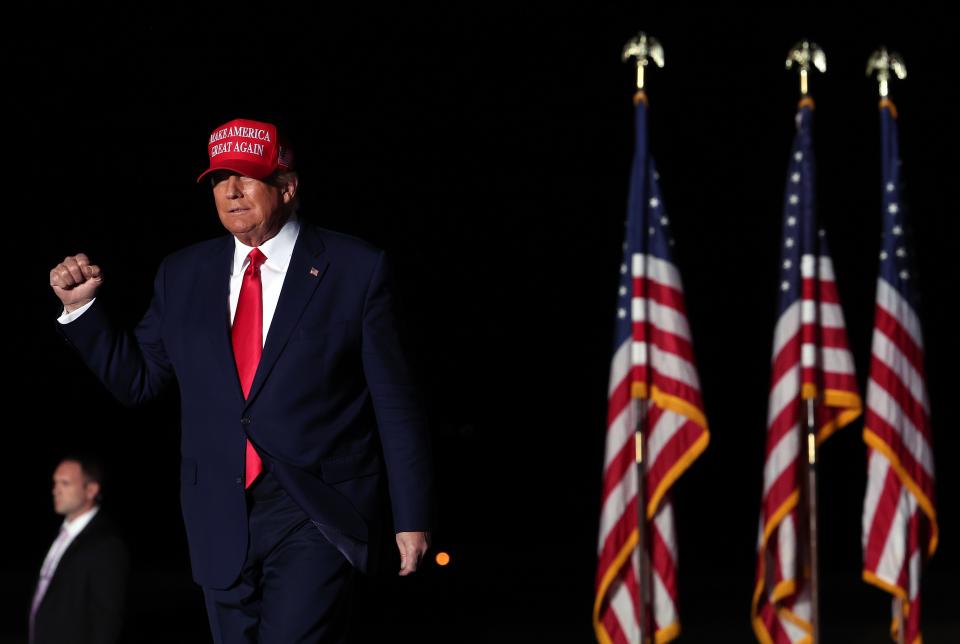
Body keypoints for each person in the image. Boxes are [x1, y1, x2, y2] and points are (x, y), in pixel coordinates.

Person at [49, 117, 434, 643]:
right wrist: (83, 310)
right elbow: (137, 381)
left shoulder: (355, 268)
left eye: (247, 177)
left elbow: (395, 404)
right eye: (218, 180)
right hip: (218, 513)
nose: (230, 192)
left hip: (315, 510)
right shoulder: (183, 273)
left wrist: (410, 516)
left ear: (288, 186)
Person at [30, 455, 129, 644]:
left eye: (65, 483)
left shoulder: (106, 545)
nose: (55, 490)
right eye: (55, 483)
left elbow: (106, 624)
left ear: (91, 490)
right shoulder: (63, 535)